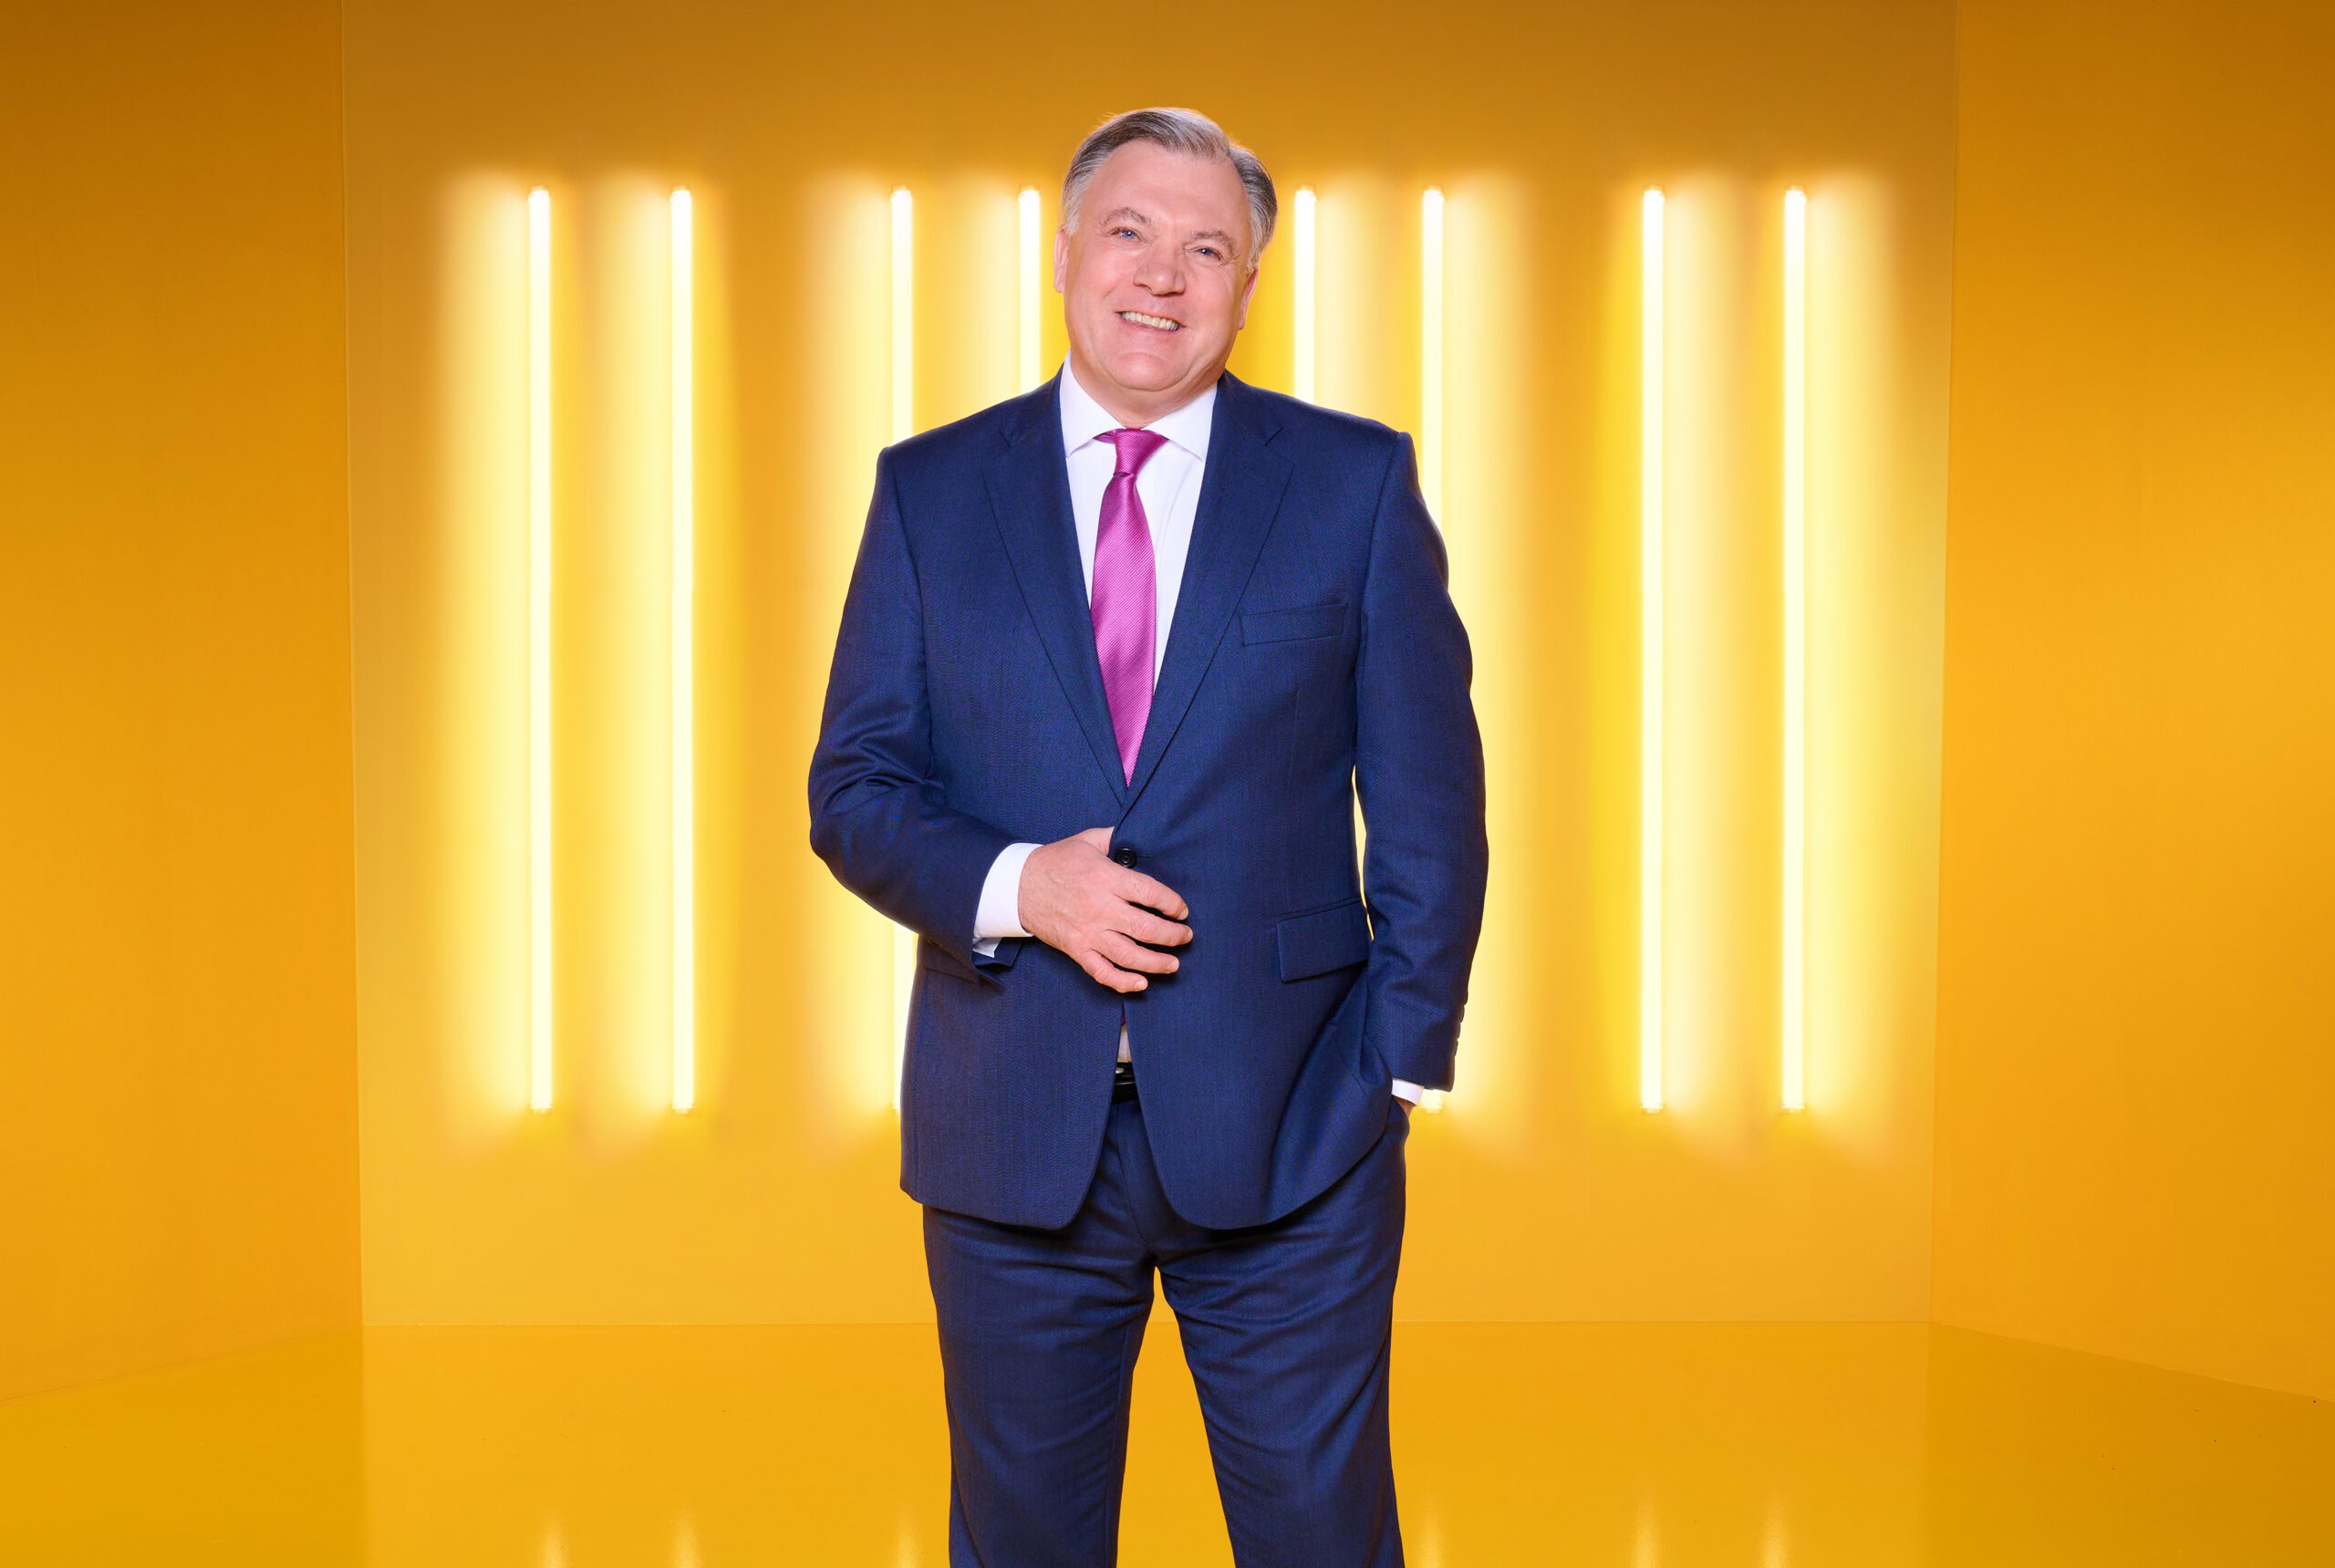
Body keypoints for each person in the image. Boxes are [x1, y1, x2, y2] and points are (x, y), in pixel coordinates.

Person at [808, 105, 1488, 1567]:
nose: (1161, 277)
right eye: (1129, 232)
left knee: (1322, 1539)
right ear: (1064, 253)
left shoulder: (1353, 482)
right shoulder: (928, 490)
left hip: (1301, 1127)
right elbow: (853, 788)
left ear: (1247, 287)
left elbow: (1432, 789)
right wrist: (1018, 885)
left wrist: (1400, 1067)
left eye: (1207, 250)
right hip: (1012, 1130)